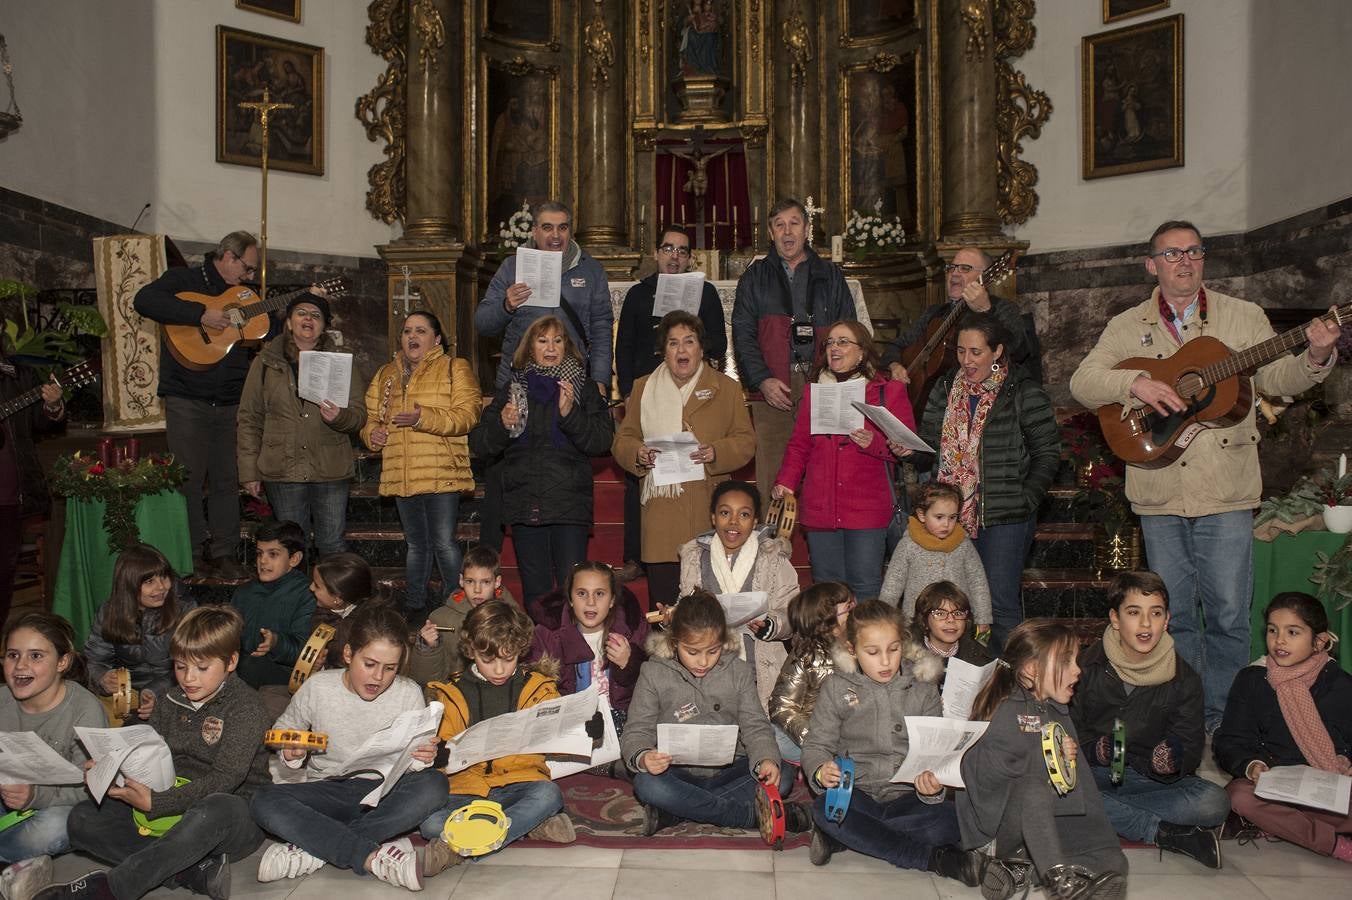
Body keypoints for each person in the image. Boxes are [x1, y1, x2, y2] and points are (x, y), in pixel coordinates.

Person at [1069, 219, 1340, 731]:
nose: (1185, 262)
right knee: (1174, 618)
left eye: (1194, 252)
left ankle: (1226, 720)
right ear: (1152, 265)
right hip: (1159, 490)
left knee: (1230, 617)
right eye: (1172, 254)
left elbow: (1277, 379)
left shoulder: (1244, 316)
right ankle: (1186, 717)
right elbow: (1083, 381)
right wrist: (1137, 383)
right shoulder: (1127, 325)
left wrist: (1318, 354)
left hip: (1227, 489)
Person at [45, 606, 271, 900]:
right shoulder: (169, 699)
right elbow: (148, 757)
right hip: (170, 803)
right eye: (179, 666)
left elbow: (226, 778)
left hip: (232, 815)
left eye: (201, 668)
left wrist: (157, 801)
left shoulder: (246, 707)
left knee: (214, 808)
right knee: (82, 818)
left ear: (231, 662)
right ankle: (188, 870)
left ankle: (111, 889)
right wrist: (109, 772)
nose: (189, 678)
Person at [252, 605, 451, 888]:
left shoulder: (407, 693)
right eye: (369, 664)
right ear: (348, 654)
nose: (378, 677)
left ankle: (317, 845)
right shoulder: (318, 687)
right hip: (329, 790)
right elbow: (284, 730)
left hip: (384, 792)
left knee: (434, 785)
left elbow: (415, 761)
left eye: (390, 668)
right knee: (264, 800)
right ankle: (368, 852)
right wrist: (290, 751)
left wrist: (421, 757)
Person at [905, 313, 1059, 653]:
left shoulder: (1023, 391)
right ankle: (964, 686)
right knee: (956, 605)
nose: (966, 360)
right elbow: (927, 448)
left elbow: (1047, 453)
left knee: (999, 605)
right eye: (961, 351)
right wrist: (909, 450)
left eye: (976, 352)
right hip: (950, 515)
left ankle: (1008, 684)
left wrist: (1026, 499)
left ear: (997, 351)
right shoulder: (946, 387)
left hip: (1005, 517)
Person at [802, 600, 981, 884]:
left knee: (957, 819)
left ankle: (847, 837)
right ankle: (936, 859)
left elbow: (935, 755)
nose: (885, 661)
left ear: (904, 644)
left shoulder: (923, 686)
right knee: (824, 808)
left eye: (894, 649)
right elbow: (816, 745)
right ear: (852, 650)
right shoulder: (837, 686)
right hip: (856, 792)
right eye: (872, 652)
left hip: (906, 797)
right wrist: (821, 770)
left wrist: (932, 787)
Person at [1069, 571, 1229, 869]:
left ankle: (1096, 812)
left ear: (1166, 619)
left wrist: (1171, 759)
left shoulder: (1183, 678)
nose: (1146, 624)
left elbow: (1191, 744)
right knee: (1053, 785)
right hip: (1094, 774)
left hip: (1147, 780)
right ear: (1115, 619)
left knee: (1213, 802)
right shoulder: (1085, 667)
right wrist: (1095, 750)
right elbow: (1067, 730)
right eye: (1134, 613)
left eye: (1155, 613)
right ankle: (1162, 831)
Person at [959, 620, 1128, 900]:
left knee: (1114, 861)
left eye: (1076, 659)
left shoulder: (1057, 711)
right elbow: (992, 784)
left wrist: (1094, 835)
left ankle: (1019, 869)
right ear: (1031, 669)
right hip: (998, 826)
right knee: (1034, 789)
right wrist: (1049, 762)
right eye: (1066, 661)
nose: (1077, 670)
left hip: (1042, 820)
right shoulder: (1004, 709)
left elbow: (1079, 789)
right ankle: (1057, 881)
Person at [132, 231, 268, 578]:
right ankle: (188, 553)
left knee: (227, 479)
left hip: (229, 400)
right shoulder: (184, 279)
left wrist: (302, 304)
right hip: (186, 397)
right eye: (247, 268)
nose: (249, 277)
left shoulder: (244, 296)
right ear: (227, 256)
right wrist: (200, 315)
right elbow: (144, 301)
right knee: (187, 480)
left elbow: (269, 325)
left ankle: (224, 552)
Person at [621, 591, 810, 837]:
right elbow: (635, 731)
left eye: (712, 651)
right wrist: (644, 756)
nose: (703, 661)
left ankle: (677, 811)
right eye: (693, 651)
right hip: (677, 773)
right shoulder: (653, 673)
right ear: (674, 642)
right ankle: (750, 817)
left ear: (723, 640)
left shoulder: (738, 672)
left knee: (781, 775)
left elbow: (756, 727)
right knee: (646, 784)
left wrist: (765, 759)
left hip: (731, 769)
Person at [469, 316, 614, 606]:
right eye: (542, 340)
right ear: (529, 348)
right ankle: (540, 651)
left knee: (571, 590)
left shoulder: (583, 388)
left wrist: (571, 413)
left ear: (567, 346)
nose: (551, 347)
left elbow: (602, 441)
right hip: (526, 504)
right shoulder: (513, 387)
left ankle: (570, 650)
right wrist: (501, 423)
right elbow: (479, 443)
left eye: (558, 340)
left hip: (568, 504)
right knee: (535, 593)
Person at [613, 311, 755, 606]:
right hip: (661, 516)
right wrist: (638, 453)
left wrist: (716, 451)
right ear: (663, 351)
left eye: (689, 342)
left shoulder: (726, 389)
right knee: (664, 611)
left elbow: (746, 441)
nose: (681, 350)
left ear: (701, 348)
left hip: (709, 512)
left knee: (708, 612)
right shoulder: (643, 387)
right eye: (673, 343)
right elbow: (622, 441)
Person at [421, 600, 577, 862]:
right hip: (468, 788)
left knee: (550, 794)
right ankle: (526, 826)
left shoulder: (538, 687)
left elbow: (557, 731)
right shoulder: (452, 691)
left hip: (521, 781)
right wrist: (439, 755)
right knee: (428, 823)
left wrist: (581, 726)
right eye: (488, 660)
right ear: (471, 650)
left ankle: (462, 844)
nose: (499, 669)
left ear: (520, 650)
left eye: (509, 658)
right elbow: (444, 742)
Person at [615, 225, 728, 581]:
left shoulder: (706, 293)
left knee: (696, 475)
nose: (675, 256)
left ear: (690, 257)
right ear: (657, 254)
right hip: (651, 394)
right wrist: (632, 392)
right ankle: (637, 555)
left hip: (694, 394)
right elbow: (626, 345)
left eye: (682, 250)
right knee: (643, 471)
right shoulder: (638, 294)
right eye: (668, 249)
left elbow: (718, 344)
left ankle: (703, 547)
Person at [773, 319, 912, 599]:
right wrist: (786, 482)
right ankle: (831, 645)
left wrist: (874, 444)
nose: (834, 348)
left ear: (862, 352)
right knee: (827, 591)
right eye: (830, 343)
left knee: (864, 589)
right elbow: (799, 444)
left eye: (843, 342)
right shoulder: (815, 392)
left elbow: (908, 449)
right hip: (820, 507)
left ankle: (866, 644)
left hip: (867, 508)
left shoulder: (888, 391)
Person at [732, 198, 855, 502]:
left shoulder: (831, 275)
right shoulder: (754, 277)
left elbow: (850, 331)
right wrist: (762, 379)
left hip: (824, 385)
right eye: (779, 225)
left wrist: (834, 381)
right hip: (775, 387)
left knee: (826, 474)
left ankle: (820, 547)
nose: (787, 232)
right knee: (773, 478)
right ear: (771, 233)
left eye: (794, 223)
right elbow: (743, 335)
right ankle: (771, 546)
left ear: (807, 229)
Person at [1214, 592, 1352, 861]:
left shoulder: (1341, 685)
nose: (1279, 640)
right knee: (1238, 797)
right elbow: (1230, 740)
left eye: (1293, 632)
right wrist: (1252, 765)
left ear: (1319, 641)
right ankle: (1332, 843)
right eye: (1272, 630)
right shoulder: (1252, 679)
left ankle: (1284, 825)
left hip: (1327, 789)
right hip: (1273, 790)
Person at [361, 311, 480, 622]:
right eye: (407, 331)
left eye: (421, 331)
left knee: (444, 544)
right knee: (416, 545)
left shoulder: (455, 367)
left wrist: (422, 418)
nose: (412, 337)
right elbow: (371, 418)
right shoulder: (386, 372)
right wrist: (371, 434)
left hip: (442, 472)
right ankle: (415, 607)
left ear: (436, 339)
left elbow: (468, 415)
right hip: (402, 473)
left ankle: (456, 607)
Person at [237, 291, 367, 556]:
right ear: (288, 321)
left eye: (316, 315)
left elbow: (359, 415)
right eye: (301, 313)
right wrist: (249, 470)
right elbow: (249, 418)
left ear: (324, 326)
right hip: (282, 469)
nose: (308, 319)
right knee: (291, 550)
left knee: (332, 546)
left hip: (330, 469)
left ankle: (332, 598)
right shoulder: (264, 362)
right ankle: (295, 598)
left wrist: (339, 417)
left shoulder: (341, 363)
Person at [0, 614, 104, 900]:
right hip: (6, 800)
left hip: (56, 805)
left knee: (60, 826)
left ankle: (15, 860)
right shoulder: (1, 701)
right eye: (12, 655)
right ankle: (20, 866)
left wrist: (35, 795)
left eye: (35, 656)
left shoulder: (85, 710)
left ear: (62, 662)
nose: (21, 666)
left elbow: (91, 787)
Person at [675, 481, 798, 711]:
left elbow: (792, 611)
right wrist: (673, 616)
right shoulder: (694, 557)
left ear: (754, 521)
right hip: (709, 664)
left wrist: (772, 624)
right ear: (713, 518)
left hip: (758, 665)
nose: (733, 521)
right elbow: (685, 606)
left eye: (743, 514)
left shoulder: (773, 558)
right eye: (724, 513)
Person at [475, 200, 614, 392]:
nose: (556, 235)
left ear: (570, 231)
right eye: (547, 228)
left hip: (574, 381)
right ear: (534, 231)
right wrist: (506, 305)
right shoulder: (511, 268)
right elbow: (483, 324)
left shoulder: (591, 270)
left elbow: (601, 329)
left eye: (562, 228)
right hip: (520, 380)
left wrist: (599, 380)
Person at [881, 246, 1035, 383]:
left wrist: (985, 311)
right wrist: (894, 365)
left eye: (965, 268)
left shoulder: (1003, 308)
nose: (954, 273)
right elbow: (896, 345)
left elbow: (1017, 353)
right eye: (951, 267)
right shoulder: (935, 312)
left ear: (985, 277)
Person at [83, 544, 196, 721]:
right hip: (127, 694)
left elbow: (195, 665)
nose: (161, 587)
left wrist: (155, 693)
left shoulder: (184, 610)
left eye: (164, 577)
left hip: (177, 689)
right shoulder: (108, 613)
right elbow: (94, 661)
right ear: (128, 585)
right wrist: (102, 678)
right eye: (149, 581)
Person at [529, 561, 648, 729]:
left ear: (612, 600)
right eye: (581, 593)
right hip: (569, 721)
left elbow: (649, 687)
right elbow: (536, 690)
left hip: (622, 720)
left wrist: (629, 663)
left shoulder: (630, 629)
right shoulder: (548, 636)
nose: (590, 602)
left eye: (599, 594)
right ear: (570, 599)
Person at [0, 360, 65, 628]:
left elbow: (42, 422)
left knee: (3, 576)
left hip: (7, 497)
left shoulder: (18, 376)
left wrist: (53, 404)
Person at [879, 482, 992, 633]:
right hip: (916, 624)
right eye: (939, 517)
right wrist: (883, 618)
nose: (946, 524)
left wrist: (982, 618)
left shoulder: (963, 544)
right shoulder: (908, 544)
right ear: (921, 515)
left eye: (952, 517)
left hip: (956, 623)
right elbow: (893, 584)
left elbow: (977, 582)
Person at [769, 582, 856, 762]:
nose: (855, 610)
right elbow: (782, 706)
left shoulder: (860, 644)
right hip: (811, 730)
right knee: (776, 738)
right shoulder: (807, 655)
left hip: (849, 729)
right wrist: (815, 739)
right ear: (829, 618)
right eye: (849, 607)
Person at [409, 545, 516, 687]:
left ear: (497, 582)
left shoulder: (514, 619)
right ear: (461, 580)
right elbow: (425, 680)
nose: (477, 590)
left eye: (485, 582)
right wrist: (428, 648)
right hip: (456, 696)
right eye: (470, 581)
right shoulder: (441, 619)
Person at [229, 520, 315, 689]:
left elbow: (305, 653)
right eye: (260, 553)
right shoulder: (244, 592)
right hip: (245, 666)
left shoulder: (307, 593)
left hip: (286, 673)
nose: (263, 561)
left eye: (273, 554)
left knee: (249, 666)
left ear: (294, 559)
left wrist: (276, 642)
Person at [903, 581, 993, 686]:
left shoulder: (978, 657)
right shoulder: (906, 659)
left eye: (958, 613)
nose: (951, 619)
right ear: (924, 621)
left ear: (966, 620)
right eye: (940, 613)